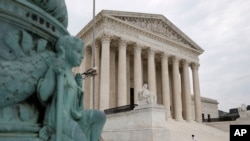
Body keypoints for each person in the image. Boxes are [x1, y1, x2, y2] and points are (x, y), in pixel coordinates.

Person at [37, 35, 106, 141]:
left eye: (82, 53)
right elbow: (43, 95)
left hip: (74, 116)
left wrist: (79, 87)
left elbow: (76, 106)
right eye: (78, 52)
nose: (82, 56)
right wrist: (53, 74)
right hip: (59, 119)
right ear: (65, 50)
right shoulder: (58, 68)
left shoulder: (71, 75)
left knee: (99, 116)